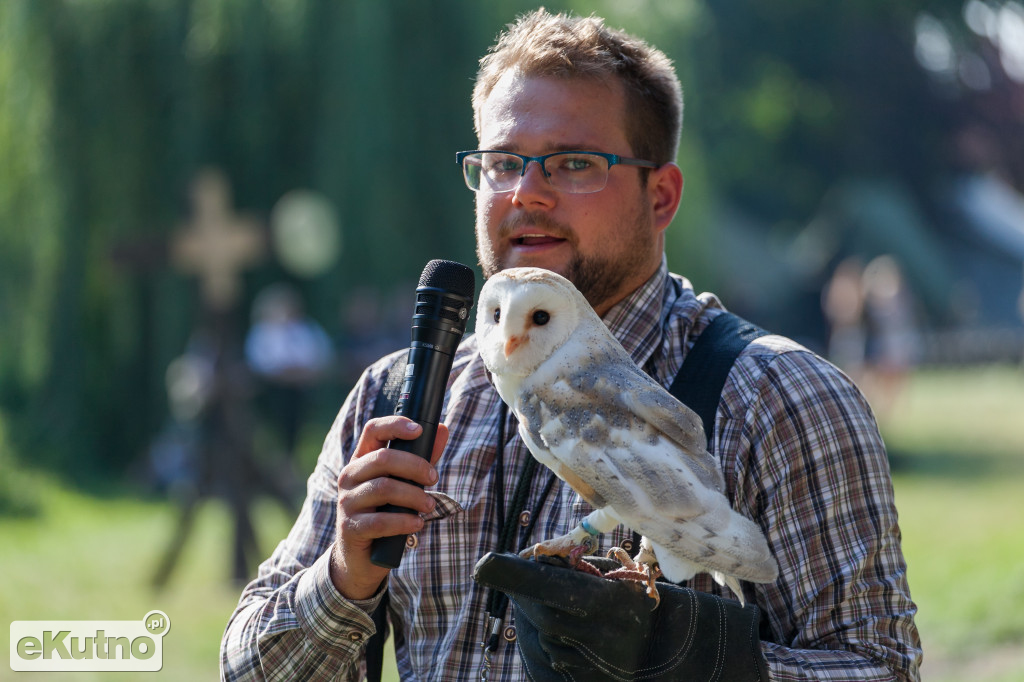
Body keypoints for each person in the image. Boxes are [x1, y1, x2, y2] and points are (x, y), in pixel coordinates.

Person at [221, 9, 921, 681]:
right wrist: (344, 576)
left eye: (575, 163)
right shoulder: (395, 397)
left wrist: (700, 667)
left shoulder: (781, 398)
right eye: (502, 162)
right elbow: (248, 670)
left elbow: (880, 667)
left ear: (662, 196)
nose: (528, 193)